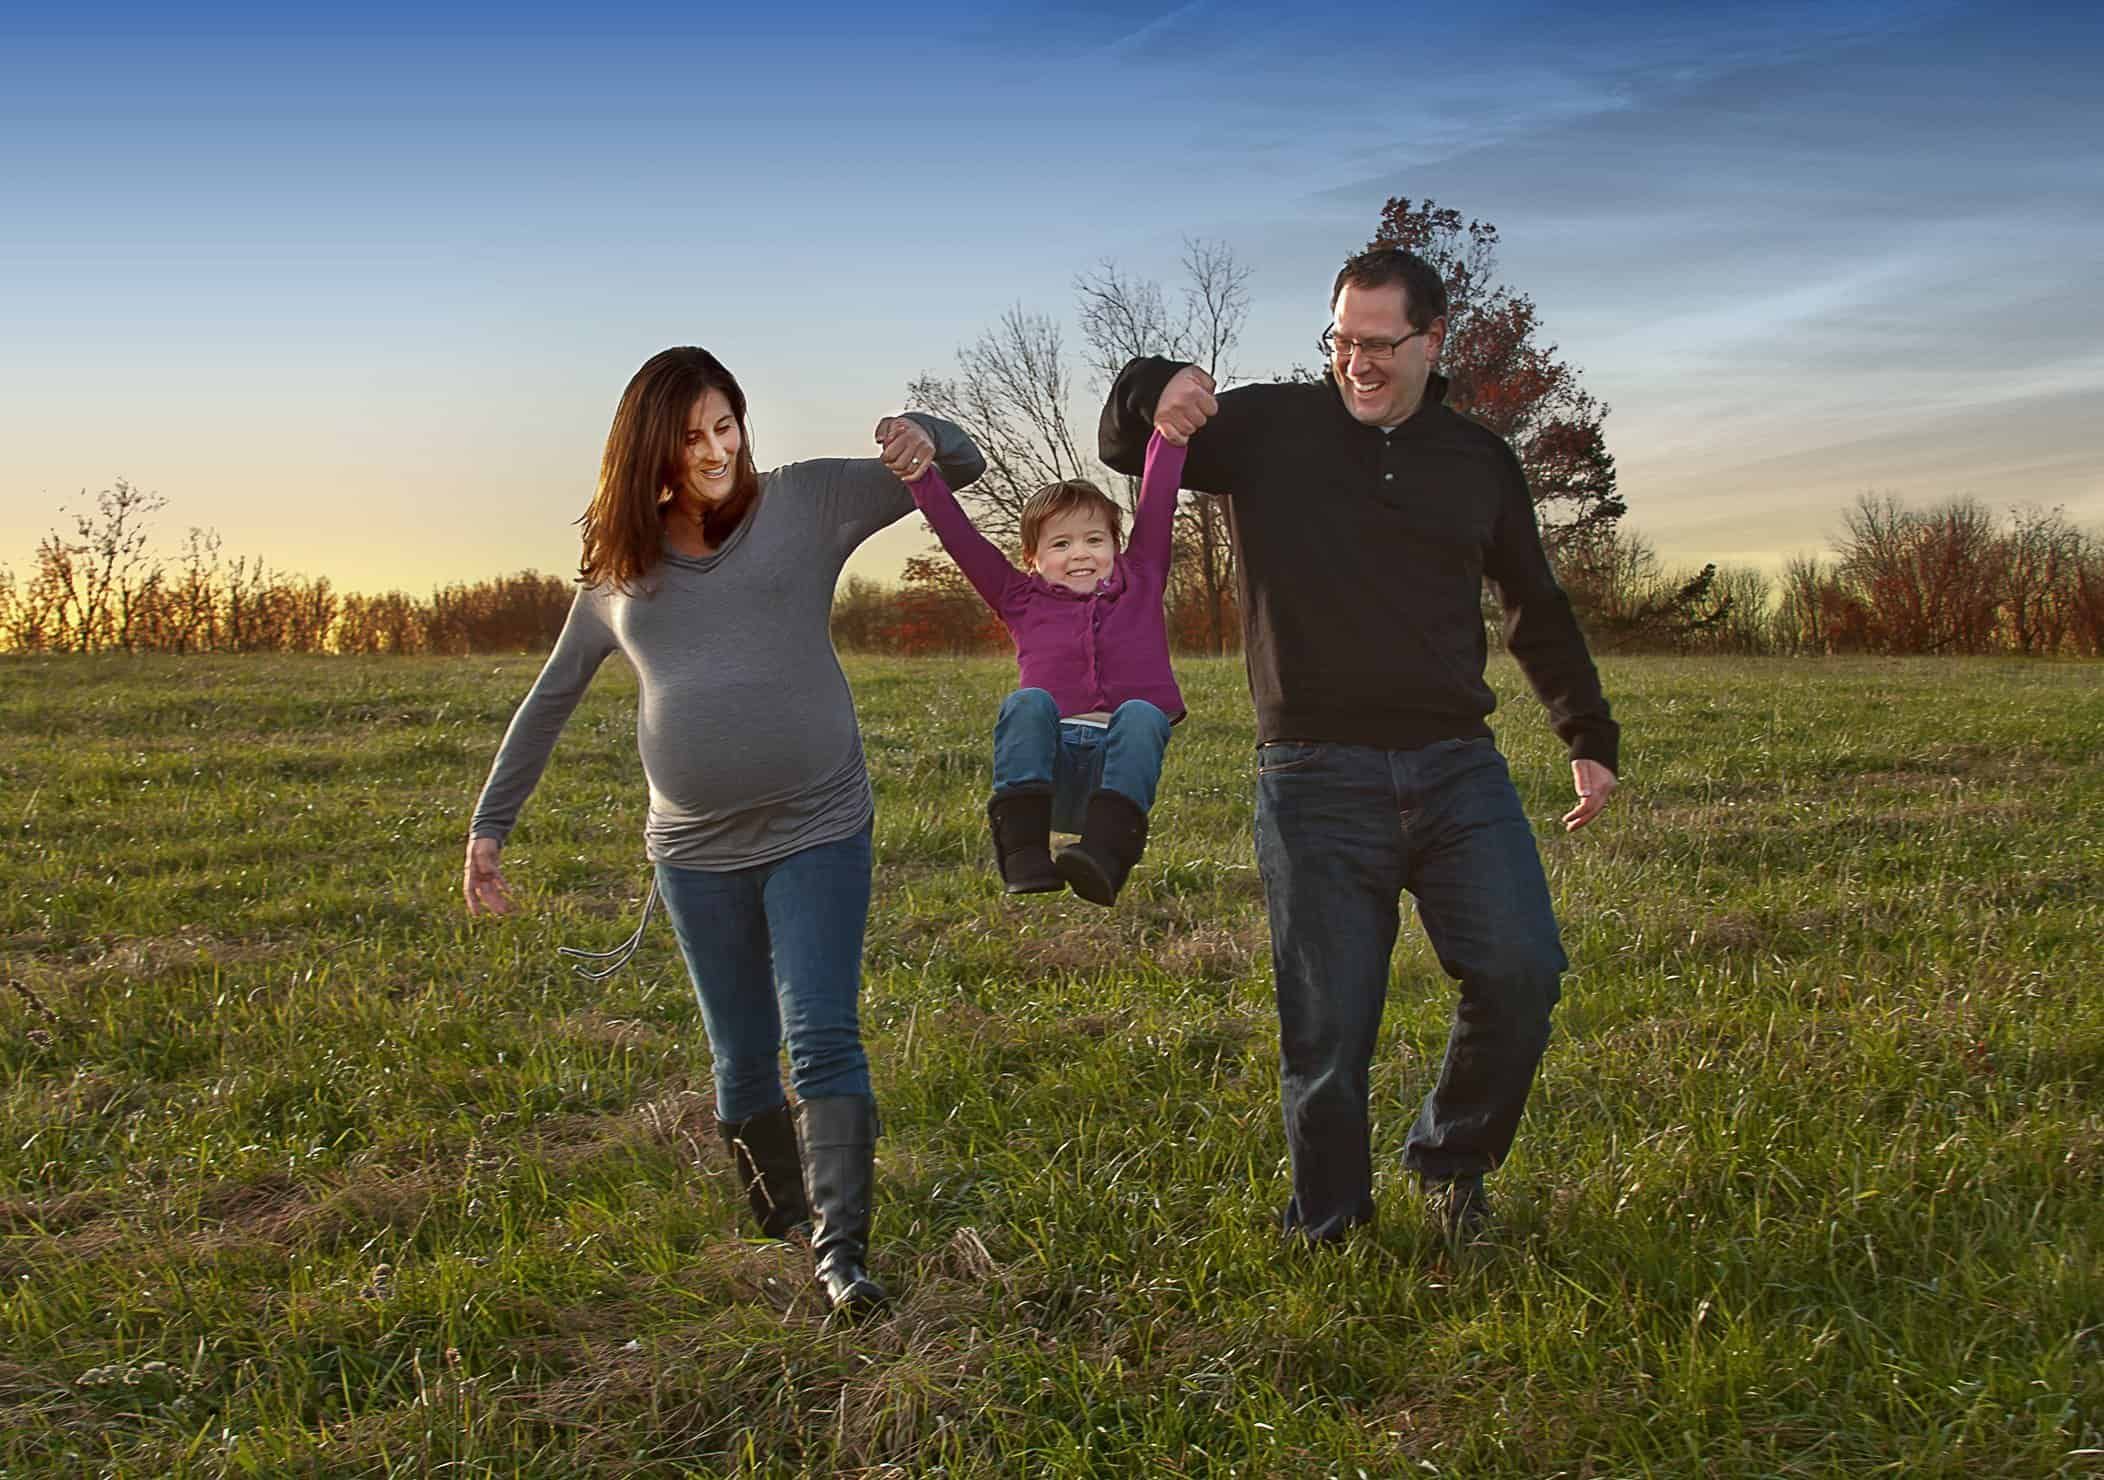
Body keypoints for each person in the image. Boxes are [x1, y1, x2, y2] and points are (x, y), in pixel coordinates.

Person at [1098, 246, 1620, 1244]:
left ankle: (1451, 1162)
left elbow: (1535, 606)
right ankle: (1329, 1222)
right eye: (1341, 341)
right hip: (1314, 774)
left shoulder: (1477, 462)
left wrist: (1584, 732)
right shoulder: (1267, 428)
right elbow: (1127, 440)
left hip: (1454, 764)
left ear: (1432, 341)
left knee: (1521, 970)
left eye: (1379, 344)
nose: (1357, 364)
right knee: (1329, 1027)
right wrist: (1156, 385)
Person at [464, 346, 984, 1313]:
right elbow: (550, 699)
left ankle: (843, 1254)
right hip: (695, 854)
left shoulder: (807, 502)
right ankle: (787, 1218)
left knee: (821, 1032)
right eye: (691, 436)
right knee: (741, 1054)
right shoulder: (620, 570)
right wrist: (490, 825)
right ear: (651, 455)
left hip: (819, 819)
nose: (714, 450)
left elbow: (959, 469)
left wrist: (930, 434)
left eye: (725, 425)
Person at [908, 431, 1188, 904]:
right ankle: (1023, 852)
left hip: (1113, 778)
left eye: (1094, 539)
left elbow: (1159, 502)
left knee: (1142, 713)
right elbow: (961, 538)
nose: (1080, 553)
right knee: (1028, 702)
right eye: (1060, 544)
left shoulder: (1142, 579)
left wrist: (1169, 435)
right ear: (1033, 559)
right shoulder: (1018, 598)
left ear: (1116, 546)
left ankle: (1104, 856)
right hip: (1047, 774)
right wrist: (921, 479)